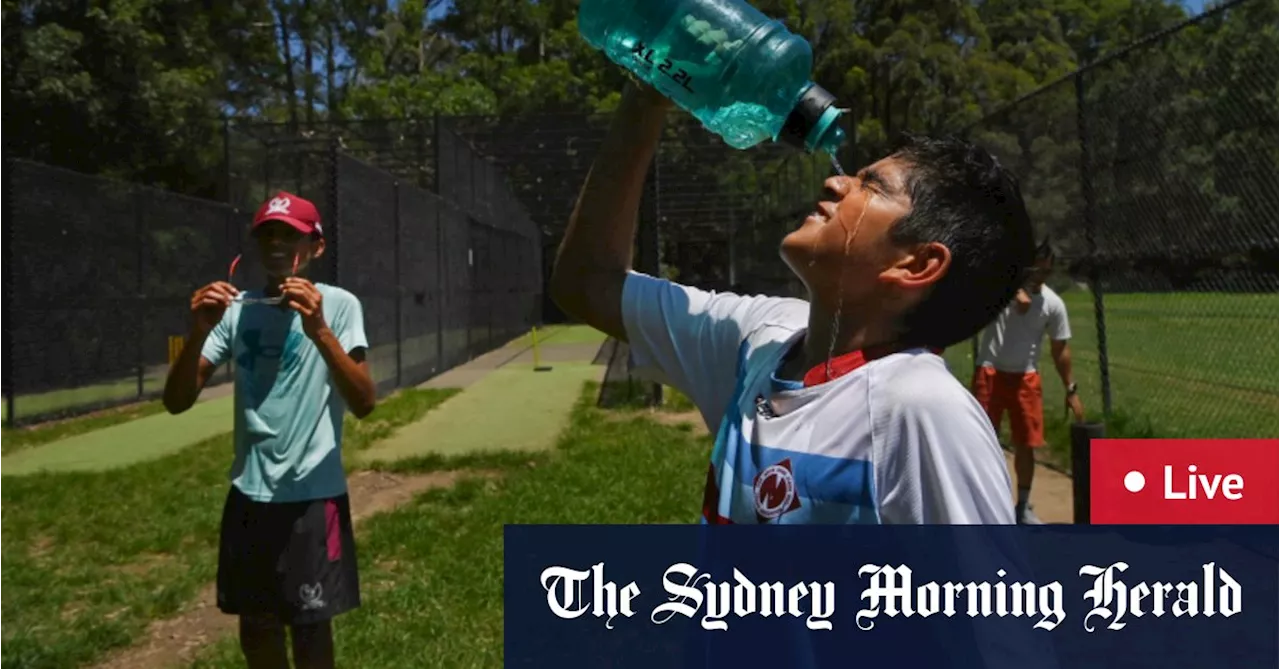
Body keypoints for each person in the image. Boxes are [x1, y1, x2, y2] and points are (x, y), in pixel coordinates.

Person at [550, 83, 1037, 525]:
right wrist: (647, 96)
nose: (835, 183)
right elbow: (586, 282)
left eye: (872, 186)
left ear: (916, 265)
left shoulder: (920, 412)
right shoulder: (761, 340)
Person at [162, 191, 376, 669]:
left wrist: (319, 328)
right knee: (256, 628)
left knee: (311, 626)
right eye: (268, 235)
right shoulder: (235, 310)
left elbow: (363, 402)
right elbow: (176, 401)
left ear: (316, 246)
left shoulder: (339, 306)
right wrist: (199, 329)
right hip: (249, 494)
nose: (278, 244)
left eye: (291, 235)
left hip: (312, 495)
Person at [972, 239, 1084, 524]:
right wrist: (1011, 293)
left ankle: (1022, 506)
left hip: (1025, 377)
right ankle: (984, 505)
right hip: (991, 372)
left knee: (1026, 443)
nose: (1040, 277)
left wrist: (1071, 389)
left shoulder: (1053, 304)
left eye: (1046, 272)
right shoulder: (1000, 289)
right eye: (1035, 270)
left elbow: (1061, 349)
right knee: (983, 441)